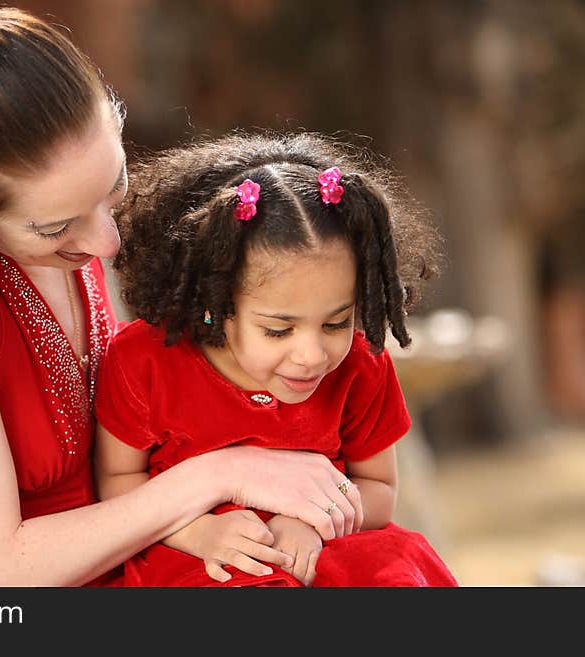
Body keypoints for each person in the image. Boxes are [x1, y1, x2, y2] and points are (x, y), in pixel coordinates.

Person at [0, 0, 364, 587]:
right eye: (56, 226)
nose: (106, 242)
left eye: (115, 187)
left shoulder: (69, 253)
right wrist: (224, 472)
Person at [94, 132, 458, 586]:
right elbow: (117, 483)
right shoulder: (143, 362)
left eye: (335, 322)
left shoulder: (361, 363)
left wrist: (311, 522)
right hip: (200, 561)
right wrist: (197, 532)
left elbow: (380, 488)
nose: (311, 355)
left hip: (326, 549)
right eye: (277, 330)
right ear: (217, 302)